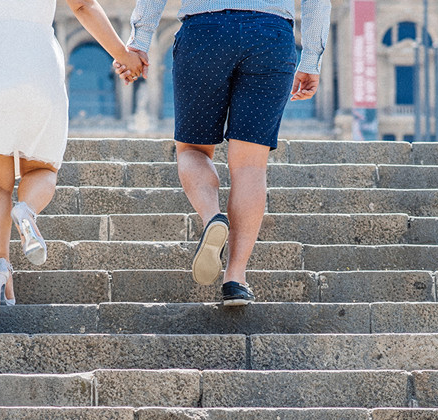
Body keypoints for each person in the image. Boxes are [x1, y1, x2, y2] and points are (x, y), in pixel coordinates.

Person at [0, 0, 144, 305]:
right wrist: (123, 54)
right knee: (41, 170)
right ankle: (27, 210)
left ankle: (0, 267)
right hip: (38, 62)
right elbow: (84, 5)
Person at [116, 0, 331, 306]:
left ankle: (212, 217)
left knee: (193, 150)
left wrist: (139, 41)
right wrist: (311, 58)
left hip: (206, 31)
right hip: (270, 35)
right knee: (250, 166)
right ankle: (236, 278)